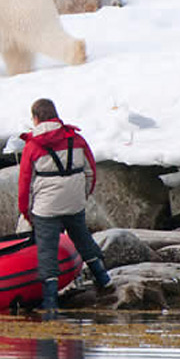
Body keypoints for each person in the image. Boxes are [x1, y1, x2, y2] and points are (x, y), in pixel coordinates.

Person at [18, 98, 111, 313]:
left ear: (36, 118)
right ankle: (103, 278)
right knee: (82, 237)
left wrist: (26, 211)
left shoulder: (32, 146)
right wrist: (83, 194)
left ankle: (50, 302)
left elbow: (25, 184)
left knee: (47, 249)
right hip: (75, 201)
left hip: (46, 207)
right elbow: (90, 171)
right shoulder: (76, 139)